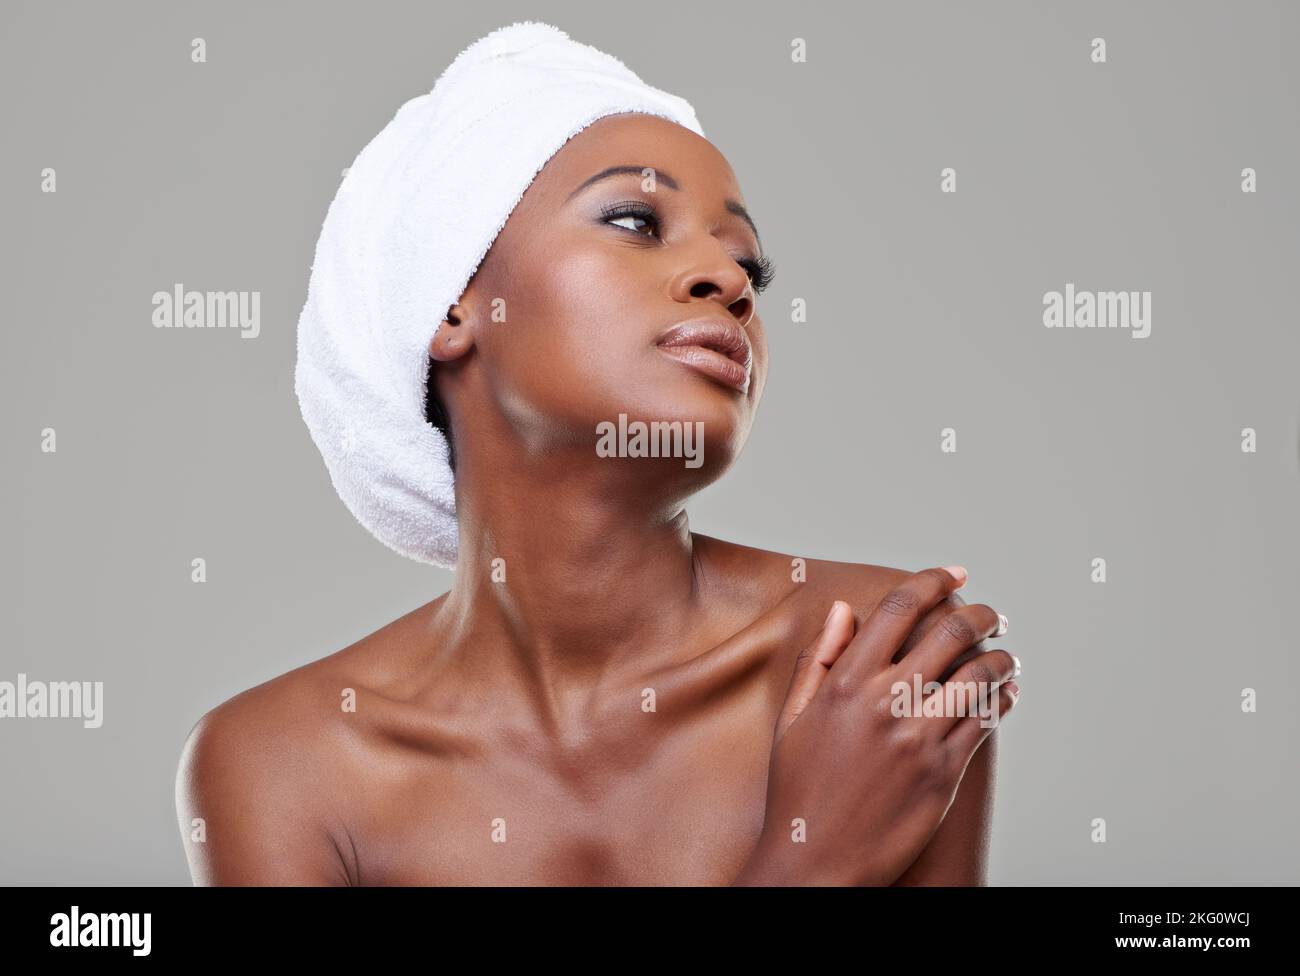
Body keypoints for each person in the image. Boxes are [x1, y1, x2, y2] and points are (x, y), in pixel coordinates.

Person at [175, 25, 1020, 887]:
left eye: (747, 267)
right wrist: (812, 860)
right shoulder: (284, 764)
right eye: (635, 221)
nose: (727, 284)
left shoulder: (871, 658)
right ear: (450, 305)